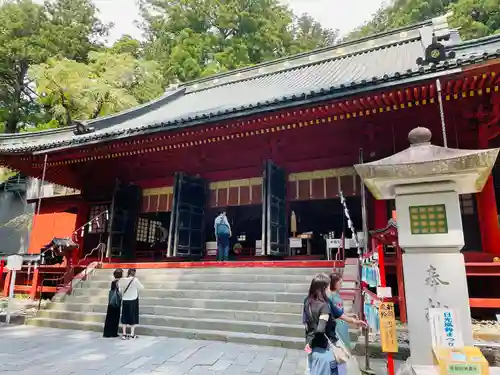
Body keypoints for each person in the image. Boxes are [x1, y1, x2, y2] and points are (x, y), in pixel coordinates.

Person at [303, 273, 366, 375]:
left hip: (311, 342)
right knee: (331, 367)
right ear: (323, 288)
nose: (329, 289)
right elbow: (321, 329)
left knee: (311, 369)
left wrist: (353, 321)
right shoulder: (324, 305)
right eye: (328, 286)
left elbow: (338, 313)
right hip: (326, 344)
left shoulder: (308, 301)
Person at [118, 268, 143, 339]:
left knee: (124, 316)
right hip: (133, 299)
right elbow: (141, 287)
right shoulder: (135, 280)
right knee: (133, 316)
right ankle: (132, 334)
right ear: (134, 273)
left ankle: (124, 334)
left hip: (125, 300)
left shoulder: (123, 280)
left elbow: (120, 290)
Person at [103, 268, 123, 338]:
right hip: (117, 301)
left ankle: (107, 332)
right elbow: (120, 293)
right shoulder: (120, 282)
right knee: (115, 317)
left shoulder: (113, 282)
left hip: (111, 301)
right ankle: (113, 332)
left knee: (109, 317)